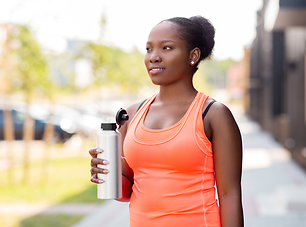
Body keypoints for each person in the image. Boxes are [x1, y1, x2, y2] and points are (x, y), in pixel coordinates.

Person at [89, 16, 243, 227]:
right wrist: (106, 173)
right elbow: (127, 192)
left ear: (193, 56)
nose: (153, 57)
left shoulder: (213, 114)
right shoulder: (131, 114)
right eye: (148, 49)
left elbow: (230, 195)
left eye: (166, 48)